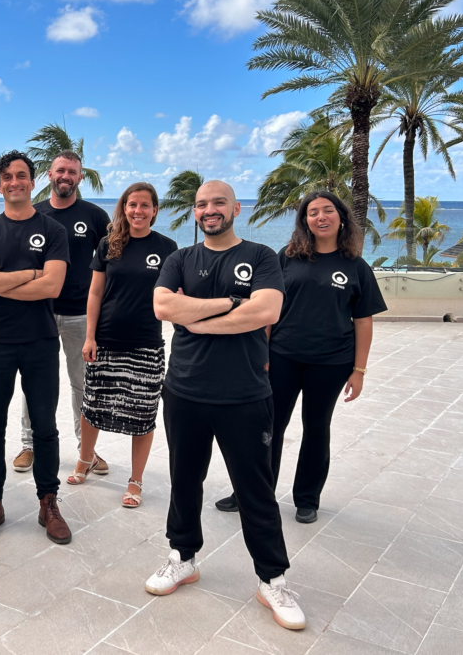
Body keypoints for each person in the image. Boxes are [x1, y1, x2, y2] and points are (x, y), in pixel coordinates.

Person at [148, 180, 305, 632]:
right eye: (201, 204)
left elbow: (266, 312)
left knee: (255, 490)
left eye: (218, 202)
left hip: (245, 394)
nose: (209, 210)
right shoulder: (180, 258)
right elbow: (163, 306)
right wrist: (231, 304)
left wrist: (196, 319)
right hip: (185, 391)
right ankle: (182, 557)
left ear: (236, 208)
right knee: (184, 480)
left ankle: (272, 579)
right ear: (195, 212)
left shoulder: (262, 256)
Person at [215, 191, 386, 524]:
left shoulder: (356, 266)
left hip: (332, 362)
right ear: (305, 220)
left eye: (328, 210)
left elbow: (363, 321)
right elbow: (268, 309)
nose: (321, 217)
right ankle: (253, 493)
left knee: (317, 428)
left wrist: (359, 370)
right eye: (313, 212)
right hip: (282, 357)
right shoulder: (287, 257)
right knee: (268, 427)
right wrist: (261, 353)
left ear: (341, 218)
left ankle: (307, 499)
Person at [0, 150, 72, 545]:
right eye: (7, 177)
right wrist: (31, 273)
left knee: (45, 426)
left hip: (40, 341)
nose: (15, 182)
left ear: (33, 181)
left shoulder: (53, 230)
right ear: (0, 186)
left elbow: (53, 286)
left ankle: (49, 502)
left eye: (21, 175)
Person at [74, 183, 177, 508]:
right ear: (124, 208)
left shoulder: (167, 247)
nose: (138, 211)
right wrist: (90, 337)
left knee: (143, 413)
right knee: (92, 406)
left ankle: (136, 480)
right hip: (106, 340)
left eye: (145, 205)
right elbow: (95, 293)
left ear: (155, 210)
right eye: (133, 204)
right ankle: (85, 459)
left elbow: (176, 295)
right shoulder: (109, 244)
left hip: (146, 344)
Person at [15, 150, 111, 476]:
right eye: (60, 171)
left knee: (82, 385)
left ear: (80, 177)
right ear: (50, 174)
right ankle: (28, 445)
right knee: (34, 382)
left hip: (80, 315)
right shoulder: (35, 213)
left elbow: (114, 259)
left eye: (72, 172)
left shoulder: (95, 216)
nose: (65, 176)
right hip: (37, 312)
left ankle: (87, 451)